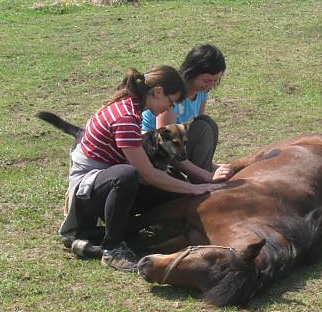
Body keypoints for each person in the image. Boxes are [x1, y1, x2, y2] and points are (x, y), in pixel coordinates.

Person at [59, 66, 226, 272]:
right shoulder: (126, 117)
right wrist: (194, 188)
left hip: (103, 186)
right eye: (170, 102)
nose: (168, 109)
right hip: (88, 191)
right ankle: (112, 248)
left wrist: (188, 186)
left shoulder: (132, 108)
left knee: (171, 191)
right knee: (127, 175)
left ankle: (94, 236)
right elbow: (147, 173)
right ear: (157, 92)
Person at [141, 44, 233, 183]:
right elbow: (167, 144)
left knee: (207, 123)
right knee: (203, 128)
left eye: (215, 81)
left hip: (178, 147)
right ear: (192, 72)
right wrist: (205, 175)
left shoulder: (201, 92)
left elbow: (194, 126)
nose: (210, 85)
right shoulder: (172, 95)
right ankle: (201, 180)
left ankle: (205, 168)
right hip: (155, 150)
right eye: (207, 80)